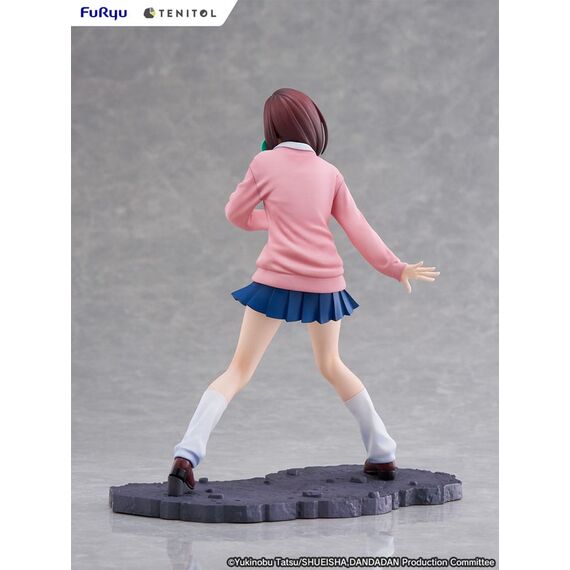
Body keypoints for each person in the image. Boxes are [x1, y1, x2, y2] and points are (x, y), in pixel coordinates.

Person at [167, 88, 439, 496]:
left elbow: (235, 214)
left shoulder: (262, 163)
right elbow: (358, 228)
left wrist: (273, 221)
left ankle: (186, 455)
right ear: (314, 125)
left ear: (271, 129)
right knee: (331, 364)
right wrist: (395, 267)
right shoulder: (329, 173)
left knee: (238, 370)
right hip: (324, 282)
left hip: (275, 279)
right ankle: (383, 451)